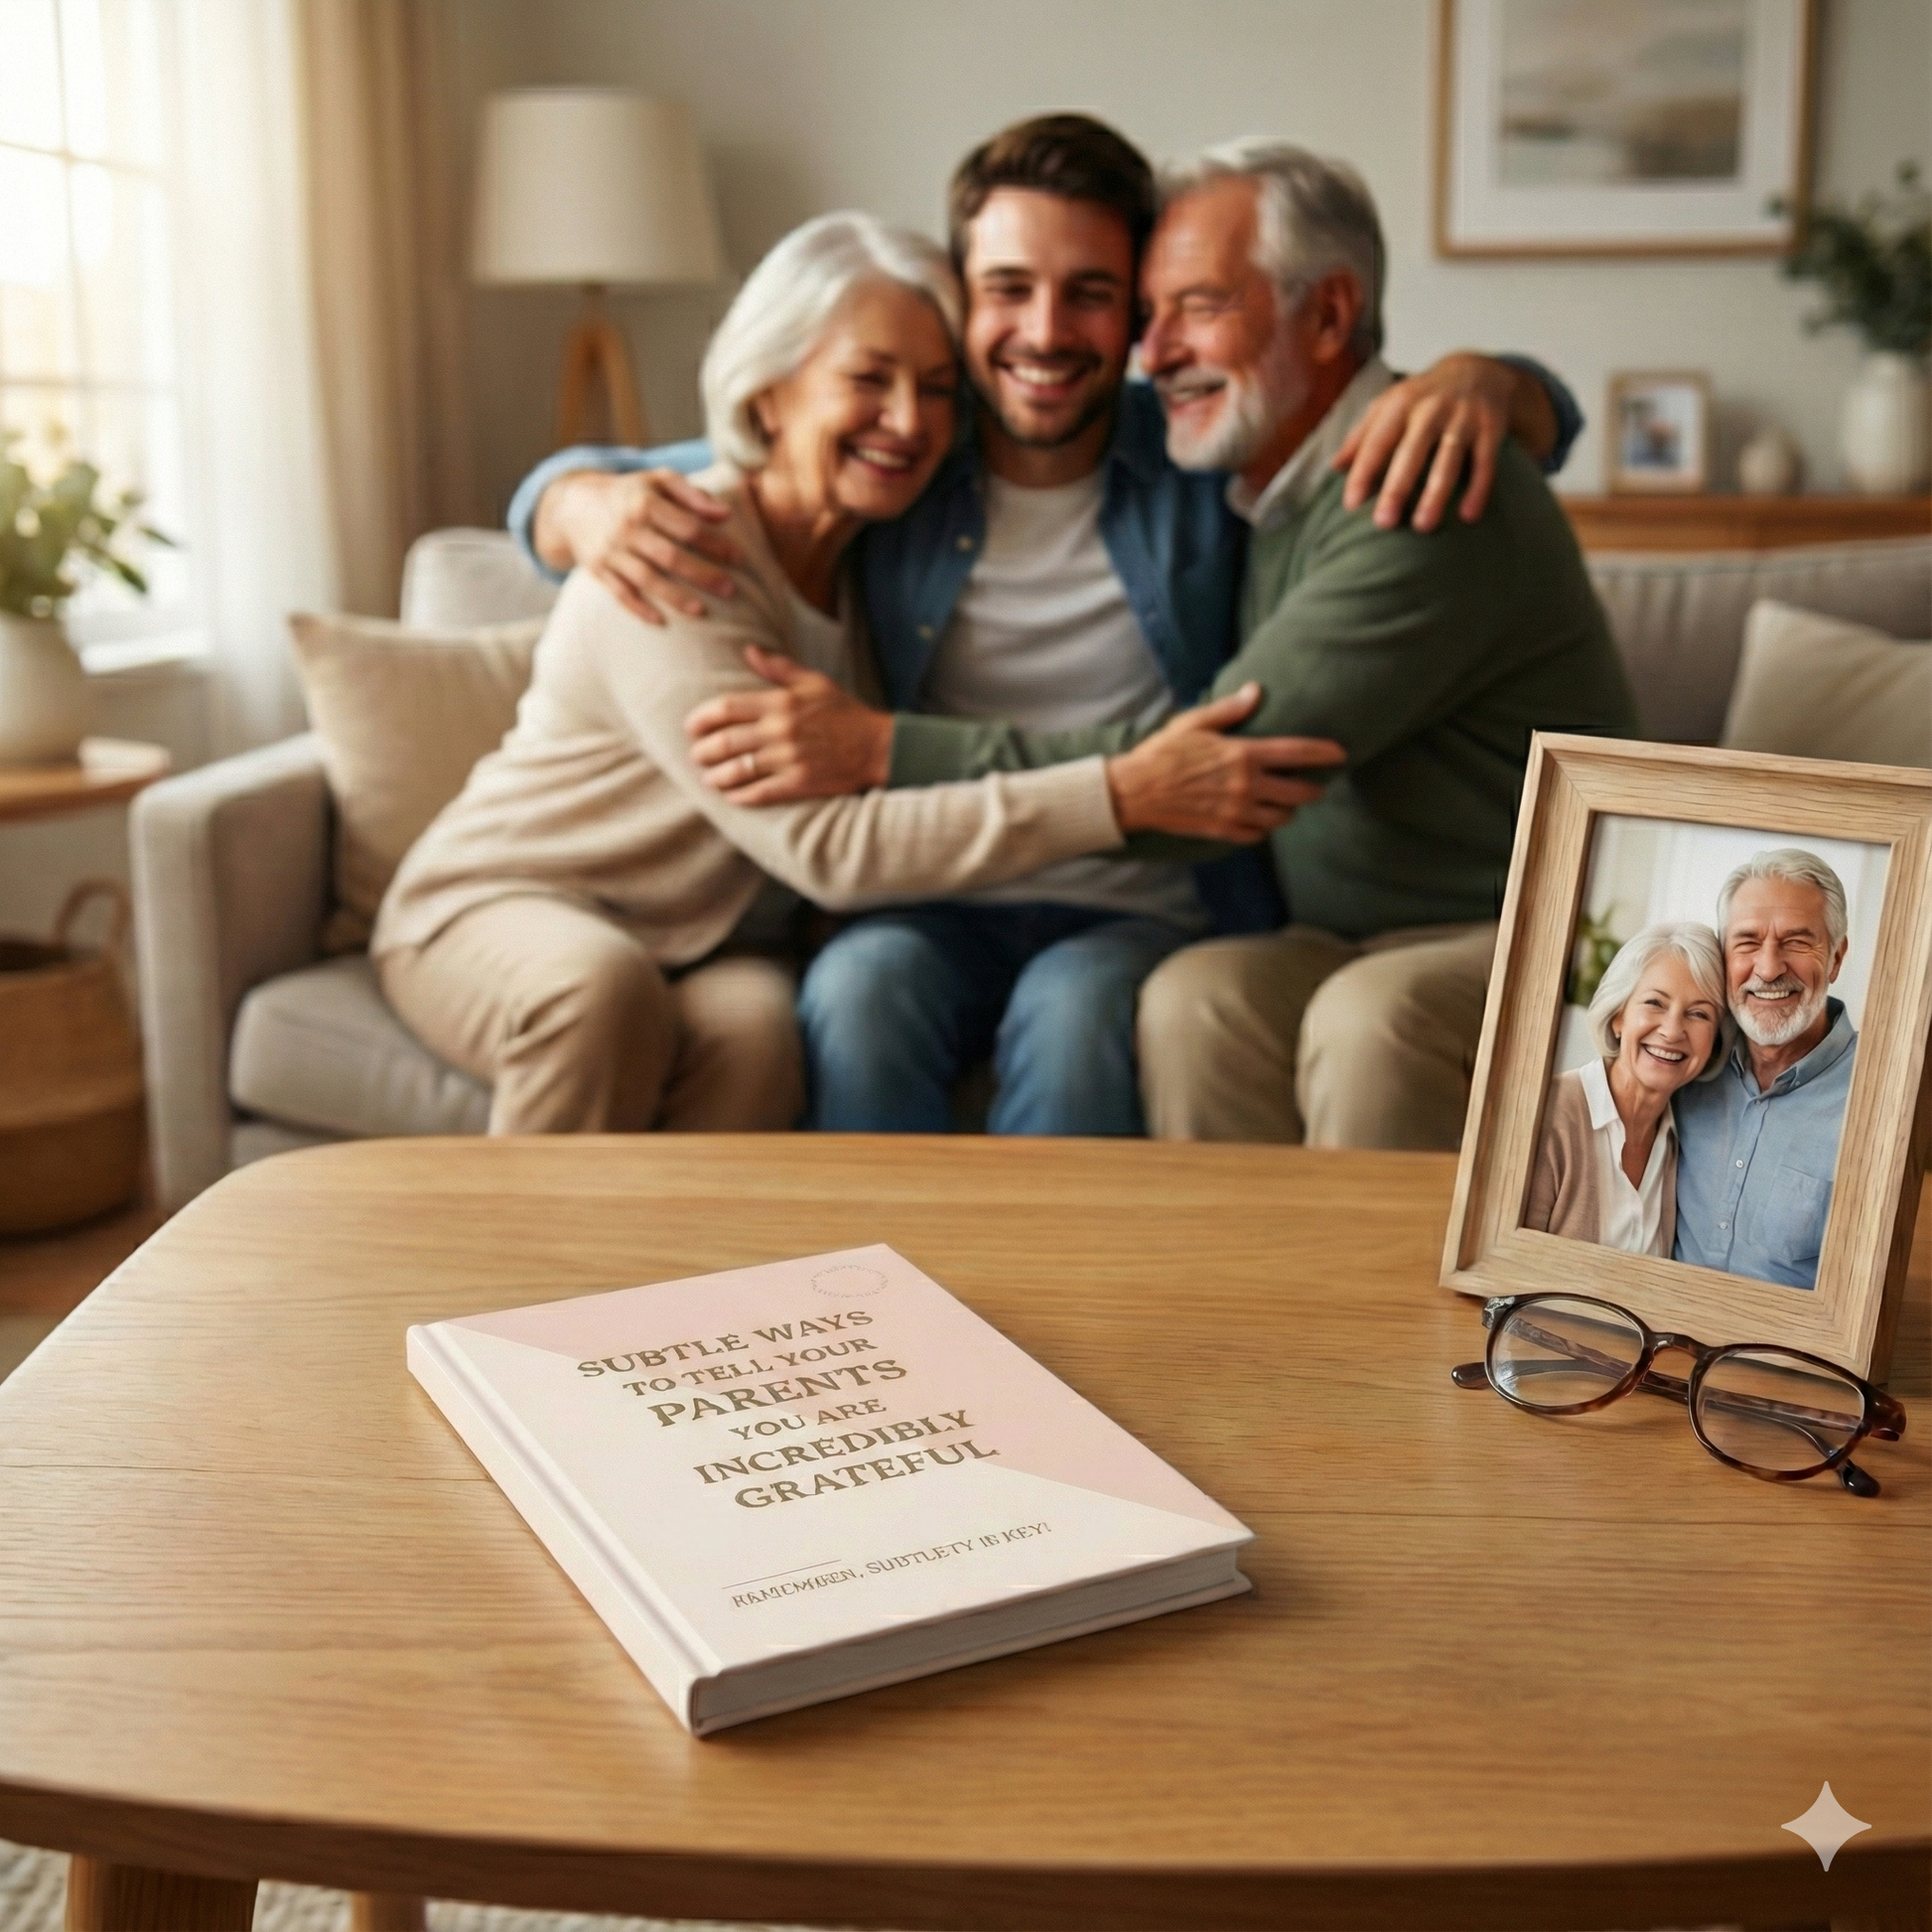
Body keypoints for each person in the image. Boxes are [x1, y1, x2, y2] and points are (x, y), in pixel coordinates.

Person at [513, 114, 1584, 1136]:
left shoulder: (1192, 448)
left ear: (1130, 314)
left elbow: (1343, 405)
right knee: (855, 989)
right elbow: (729, 467)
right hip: (931, 884)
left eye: (1093, 295)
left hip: (1140, 898)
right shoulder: (912, 449)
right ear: (960, 301)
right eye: (1005, 289)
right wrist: (567, 498)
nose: (1043, 332)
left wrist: (1498, 383)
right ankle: (860, 1305)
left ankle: (1058, 1318)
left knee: (1077, 1020)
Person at [372, 212, 1327, 1135]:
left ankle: (709, 1294)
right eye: (869, 380)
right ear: (768, 392)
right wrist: (1118, 792)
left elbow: (1309, 405)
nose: (909, 421)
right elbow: (826, 849)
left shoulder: (881, 541)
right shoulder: (678, 550)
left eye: (937, 388)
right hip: (509, 905)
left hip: (704, 942)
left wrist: (1479, 377)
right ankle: (516, 1297)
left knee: (758, 1029)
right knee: (596, 987)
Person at [1672, 850, 1858, 1290]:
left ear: (1835, 957)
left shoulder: (1880, 1098)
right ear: (1723, 956)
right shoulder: (1684, 1063)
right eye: (1748, 942)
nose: (1769, 968)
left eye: (1796, 941)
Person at [1525, 924, 1727, 1255]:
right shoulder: (1546, 1111)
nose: (1673, 1031)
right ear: (1618, 1016)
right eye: (1655, 1003)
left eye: (1698, 1014)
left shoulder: (1686, 1143)